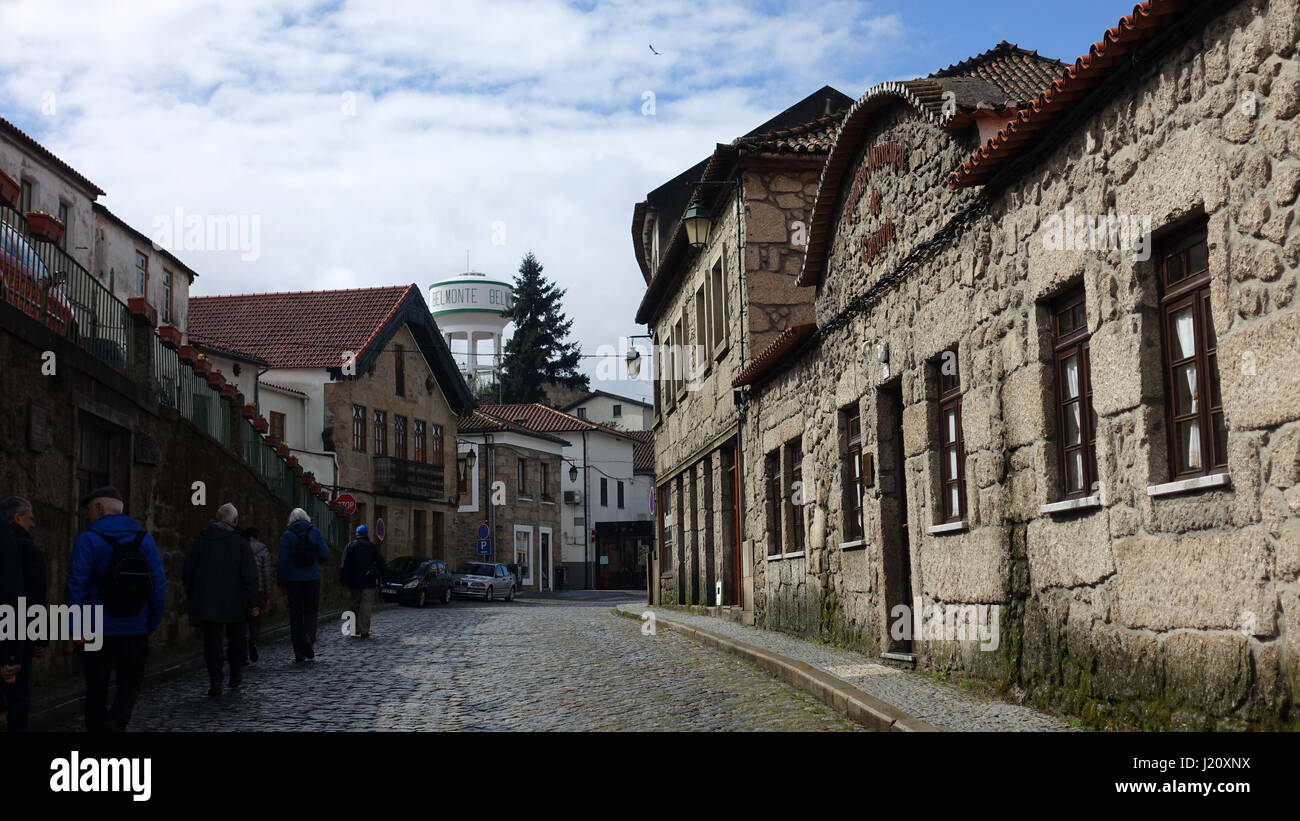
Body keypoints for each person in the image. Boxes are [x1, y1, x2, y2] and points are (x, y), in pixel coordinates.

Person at [67, 487, 166, 733]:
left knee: (95, 685)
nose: (87, 516)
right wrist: (152, 623)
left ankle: (98, 730)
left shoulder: (87, 540)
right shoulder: (144, 540)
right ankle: (117, 721)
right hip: (135, 625)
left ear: (100, 508)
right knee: (131, 681)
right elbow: (158, 584)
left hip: (94, 628)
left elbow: (76, 586)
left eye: (89, 510)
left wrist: (74, 627)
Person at [184, 504, 259, 697]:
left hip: (208, 598)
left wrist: (195, 595)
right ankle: (235, 674)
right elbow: (250, 575)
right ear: (234, 521)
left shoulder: (202, 540)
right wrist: (253, 603)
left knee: (212, 643)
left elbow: (188, 572)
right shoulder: (240, 543)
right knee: (236, 639)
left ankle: (215, 680)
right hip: (236, 598)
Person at [1, 496, 46, 732]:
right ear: (18, 518)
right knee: (18, 698)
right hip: (18, 634)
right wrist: (39, 638)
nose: (33, 524)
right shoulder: (29, 550)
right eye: (30, 518)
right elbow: (35, 598)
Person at [277, 508, 329, 662]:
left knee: (296, 614)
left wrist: (281, 582)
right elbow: (325, 554)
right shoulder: (315, 533)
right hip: (312, 578)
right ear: (306, 518)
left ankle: (298, 651)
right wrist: (315, 563)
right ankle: (309, 639)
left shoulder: (287, 536)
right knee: (311, 612)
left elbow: (282, 562)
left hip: (293, 580)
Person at [340, 525, 383, 639]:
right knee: (366, 605)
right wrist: (381, 578)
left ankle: (354, 628)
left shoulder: (350, 546)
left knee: (354, 604)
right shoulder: (371, 547)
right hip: (368, 581)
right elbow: (380, 563)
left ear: (357, 534)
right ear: (366, 534)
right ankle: (364, 630)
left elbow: (344, 564)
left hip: (354, 581)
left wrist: (344, 579)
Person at [242, 526, 273, 663]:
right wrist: (267, 594)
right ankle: (252, 641)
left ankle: (242, 649)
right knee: (255, 620)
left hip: (242, 590)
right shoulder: (262, 549)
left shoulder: (240, 548)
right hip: (258, 590)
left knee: (241, 621)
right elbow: (267, 573)